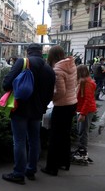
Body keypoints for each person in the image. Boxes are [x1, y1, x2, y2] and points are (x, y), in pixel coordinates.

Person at [1, 43, 55, 184]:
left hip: (20, 108)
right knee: (34, 140)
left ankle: (18, 173)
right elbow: (50, 94)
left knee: (19, 141)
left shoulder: (23, 62)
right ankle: (31, 170)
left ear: (28, 51)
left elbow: (6, 84)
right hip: (37, 111)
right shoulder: (49, 69)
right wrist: (42, 107)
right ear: (41, 52)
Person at [41, 45, 77, 176]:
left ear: (52, 56)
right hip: (72, 103)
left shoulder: (58, 69)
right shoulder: (71, 65)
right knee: (65, 135)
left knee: (55, 136)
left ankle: (51, 167)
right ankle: (64, 162)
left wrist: (51, 98)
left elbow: (60, 92)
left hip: (62, 106)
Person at [71, 64, 96, 164]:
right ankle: (81, 151)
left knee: (83, 131)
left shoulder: (86, 83)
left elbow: (87, 100)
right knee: (81, 131)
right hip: (84, 110)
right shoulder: (84, 82)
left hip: (86, 111)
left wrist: (83, 113)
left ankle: (83, 153)